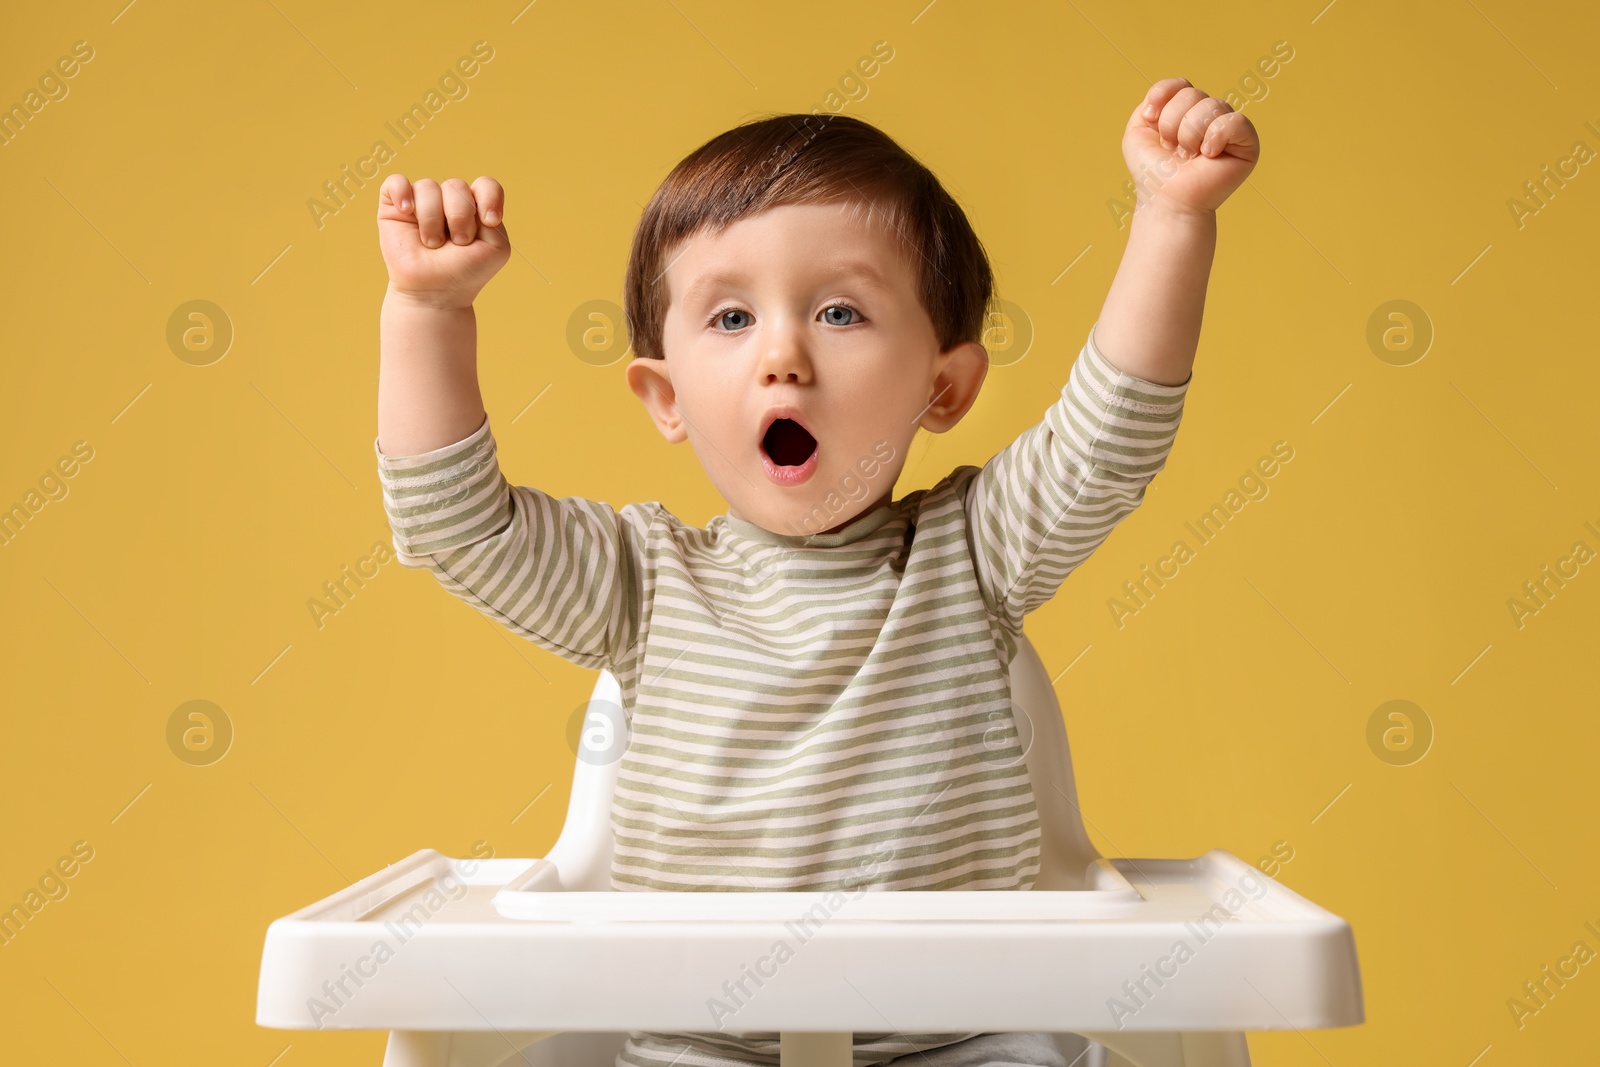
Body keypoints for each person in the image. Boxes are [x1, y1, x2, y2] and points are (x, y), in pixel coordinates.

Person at [372, 76, 1258, 1067]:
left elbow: (1109, 440)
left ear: (943, 386)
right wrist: (429, 310)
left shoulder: (971, 554)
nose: (783, 356)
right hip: (691, 1046)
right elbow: (455, 523)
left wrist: (1170, 219)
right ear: (664, 397)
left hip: (960, 1043)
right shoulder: (639, 583)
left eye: (839, 312)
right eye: (730, 318)